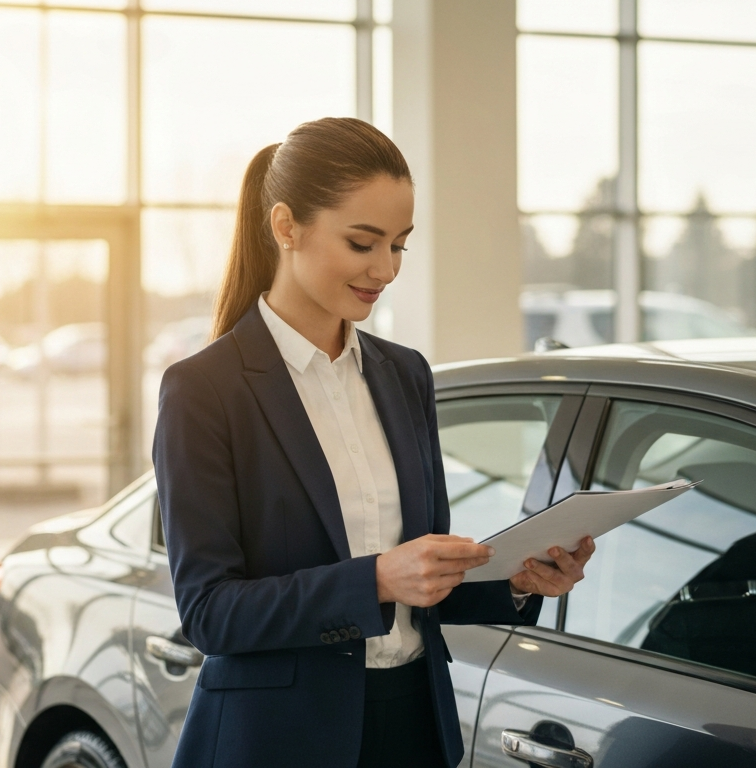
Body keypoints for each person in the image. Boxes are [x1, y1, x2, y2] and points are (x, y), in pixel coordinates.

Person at [153, 117, 596, 768]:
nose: (385, 269)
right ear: (286, 227)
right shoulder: (205, 389)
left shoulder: (404, 373)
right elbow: (211, 614)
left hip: (413, 723)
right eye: (363, 243)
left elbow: (423, 578)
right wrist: (378, 579)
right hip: (277, 740)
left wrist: (521, 581)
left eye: (399, 246)